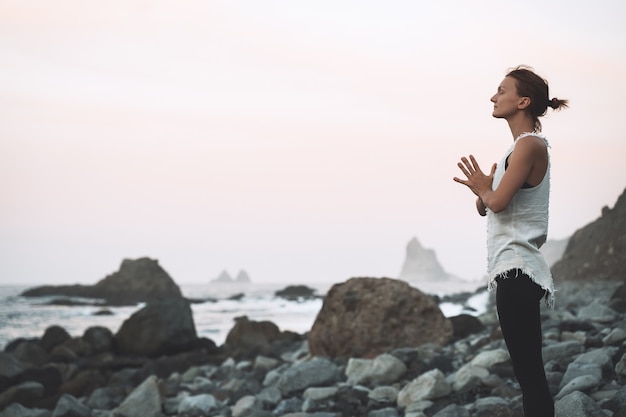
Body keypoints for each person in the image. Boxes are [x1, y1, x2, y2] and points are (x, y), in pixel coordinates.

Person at [453, 65, 568, 417]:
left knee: (529, 374)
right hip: (513, 271)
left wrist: (487, 191)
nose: (493, 96)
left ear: (523, 101)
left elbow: (497, 202)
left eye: (501, 90)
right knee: (526, 371)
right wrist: (482, 190)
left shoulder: (530, 145)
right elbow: (487, 206)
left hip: (519, 271)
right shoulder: (515, 149)